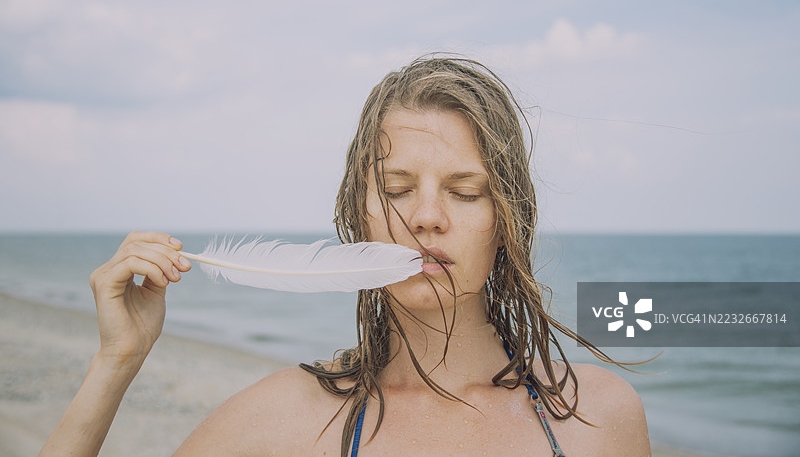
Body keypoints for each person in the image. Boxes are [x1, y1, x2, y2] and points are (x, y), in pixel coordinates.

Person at [40, 56, 650, 456]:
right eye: (396, 189)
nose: (426, 216)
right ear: (356, 212)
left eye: (465, 191)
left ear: (506, 222)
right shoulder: (285, 421)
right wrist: (116, 362)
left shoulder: (598, 420)